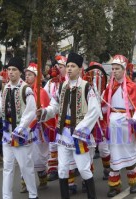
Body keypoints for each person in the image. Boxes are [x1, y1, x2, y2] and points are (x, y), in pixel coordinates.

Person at [37, 52, 100, 199]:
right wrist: (44, 112)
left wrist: (81, 129)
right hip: (63, 134)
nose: (69, 69)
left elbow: (94, 111)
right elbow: (54, 106)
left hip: (79, 134)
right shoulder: (62, 87)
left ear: (79, 69)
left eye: (73, 66)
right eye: (68, 66)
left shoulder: (86, 87)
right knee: (62, 169)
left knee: (84, 169)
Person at [0, 57, 38, 199]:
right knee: (7, 168)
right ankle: (6, 196)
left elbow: (31, 112)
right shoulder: (5, 88)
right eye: (9, 69)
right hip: (7, 135)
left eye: (14, 69)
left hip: (21, 135)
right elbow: (0, 109)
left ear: (20, 72)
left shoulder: (26, 90)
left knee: (26, 168)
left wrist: (20, 129)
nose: (11, 72)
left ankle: (33, 195)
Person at [102, 55, 136, 197]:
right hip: (113, 126)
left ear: (124, 69)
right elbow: (103, 107)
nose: (114, 71)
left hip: (127, 125)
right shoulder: (109, 87)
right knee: (114, 155)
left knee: (128, 154)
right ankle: (115, 186)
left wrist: (134, 118)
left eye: (117, 68)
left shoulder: (132, 86)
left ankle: (133, 182)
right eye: (112, 69)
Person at [20, 62, 50, 192]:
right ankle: (25, 182)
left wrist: (40, 114)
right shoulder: (22, 91)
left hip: (38, 130)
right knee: (25, 156)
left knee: (37, 156)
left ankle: (42, 176)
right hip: (25, 128)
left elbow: (44, 111)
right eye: (26, 75)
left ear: (36, 77)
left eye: (30, 75)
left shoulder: (42, 92)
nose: (27, 77)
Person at [43, 55, 68, 182]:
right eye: (56, 66)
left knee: (67, 144)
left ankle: (71, 169)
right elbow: (45, 97)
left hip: (67, 119)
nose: (58, 69)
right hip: (53, 117)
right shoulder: (50, 83)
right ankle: (53, 168)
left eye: (61, 66)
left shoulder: (69, 82)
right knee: (53, 144)